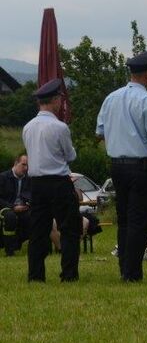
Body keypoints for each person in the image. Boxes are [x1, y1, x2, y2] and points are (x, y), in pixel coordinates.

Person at [96, 51, 147, 282]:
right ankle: (132, 272)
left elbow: (99, 133)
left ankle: (124, 268)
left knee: (124, 219)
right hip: (140, 166)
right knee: (138, 220)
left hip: (117, 165)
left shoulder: (111, 98)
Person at [22, 79, 80, 282]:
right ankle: (69, 273)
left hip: (36, 184)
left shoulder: (28, 127)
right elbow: (70, 156)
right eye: (59, 100)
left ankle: (36, 275)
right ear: (55, 100)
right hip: (58, 182)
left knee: (38, 230)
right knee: (69, 229)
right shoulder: (60, 127)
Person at [0, 153, 32, 256]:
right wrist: (13, 207)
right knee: (10, 217)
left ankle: (16, 243)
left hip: (23, 208)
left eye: (27, 165)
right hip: (5, 208)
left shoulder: (28, 179)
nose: (26, 168)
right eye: (23, 164)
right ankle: (9, 251)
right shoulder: (3, 177)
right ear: (15, 163)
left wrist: (29, 203)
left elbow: (32, 195)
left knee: (34, 217)